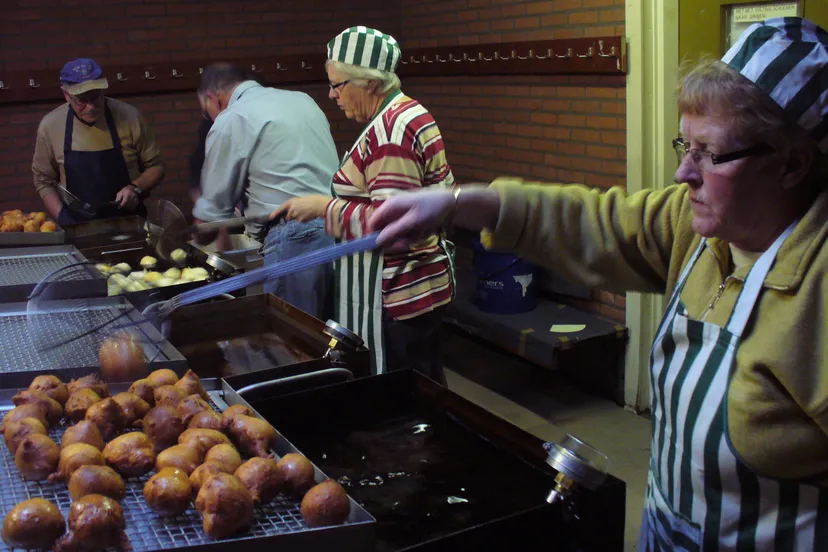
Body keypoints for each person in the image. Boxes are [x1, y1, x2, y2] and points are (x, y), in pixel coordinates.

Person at [370, 17, 828, 550]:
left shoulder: (816, 286)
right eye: (686, 146)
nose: (684, 173)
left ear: (792, 164)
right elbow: (599, 223)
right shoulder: (699, 227)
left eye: (710, 153)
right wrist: (461, 202)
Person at [271, 27, 456, 382]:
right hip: (419, 292)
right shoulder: (408, 113)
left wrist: (324, 208)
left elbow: (396, 227)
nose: (331, 95)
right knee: (425, 389)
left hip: (398, 297)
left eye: (338, 85)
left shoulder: (390, 133)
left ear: (370, 83)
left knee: (403, 399)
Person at [193, 62, 338, 319]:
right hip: (339, 228)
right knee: (330, 336)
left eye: (207, 112)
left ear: (212, 98)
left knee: (297, 340)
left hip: (295, 237)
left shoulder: (233, 117)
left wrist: (195, 238)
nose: (211, 118)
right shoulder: (302, 100)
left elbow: (212, 214)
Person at [32, 58, 165, 224]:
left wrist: (135, 188)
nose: (91, 107)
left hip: (129, 223)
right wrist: (63, 219)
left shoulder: (130, 117)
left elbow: (156, 166)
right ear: (66, 95)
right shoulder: (51, 126)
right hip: (77, 226)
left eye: (95, 97)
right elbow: (43, 181)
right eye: (81, 100)